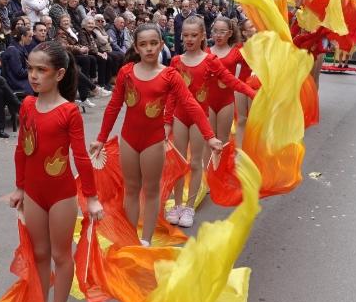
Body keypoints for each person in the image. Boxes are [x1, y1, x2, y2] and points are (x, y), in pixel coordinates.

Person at [90, 23, 222, 246]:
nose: (149, 48)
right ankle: (129, 239)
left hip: (153, 142)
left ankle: (146, 240)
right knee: (130, 190)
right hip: (129, 140)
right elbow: (113, 106)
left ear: (161, 44)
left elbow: (190, 105)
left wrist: (210, 136)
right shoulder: (126, 72)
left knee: (151, 191)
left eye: (153, 43)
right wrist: (101, 139)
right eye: (143, 44)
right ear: (136, 47)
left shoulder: (170, 75)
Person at [10, 40, 103, 302]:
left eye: (41, 70)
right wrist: (20, 187)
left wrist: (90, 197)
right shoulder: (27, 105)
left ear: (59, 74)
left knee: (61, 255)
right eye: (30, 69)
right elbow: (22, 150)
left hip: (61, 194)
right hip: (35, 193)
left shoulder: (69, 112)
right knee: (39, 253)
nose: (34, 76)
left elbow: (81, 156)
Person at [167, 17, 254, 228]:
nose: (189, 39)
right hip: (180, 116)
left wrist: (252, 92)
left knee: (196, 162)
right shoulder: (176, 61)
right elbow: (170, 95)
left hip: (200, 117)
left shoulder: (209, 60)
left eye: (194, 35)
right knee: (179, 163)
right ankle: (177, 204)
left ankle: (189, 207)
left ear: (202, 36)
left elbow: (231, 80)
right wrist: (166, 121)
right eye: (186, 35)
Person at [2, 25, 33, 96]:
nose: (31, 39)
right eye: (29, 36)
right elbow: (19, 73)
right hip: (15, 82)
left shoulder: (20, 48)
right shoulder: (13, 50)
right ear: (22, 37)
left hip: (20, 80)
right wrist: (33, 70)